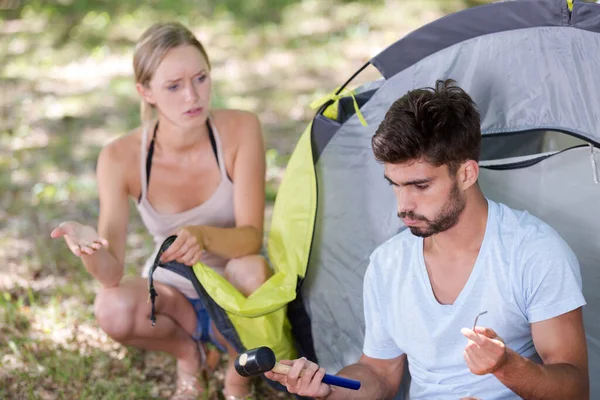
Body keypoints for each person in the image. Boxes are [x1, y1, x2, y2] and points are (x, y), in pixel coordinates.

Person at [266, 79, 589, 400]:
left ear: (466, 174)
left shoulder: (534, 252)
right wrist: (329, 389)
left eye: (420, 186)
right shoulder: (388, 262)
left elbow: (575, 389)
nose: (403, 205)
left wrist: (506, 365)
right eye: (395, 184)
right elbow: (379, 372)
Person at [50, 22, 271, 400]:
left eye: (201, 78)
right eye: (173, 86)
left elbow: (251, 236)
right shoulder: (119, 157)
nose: (192, 96)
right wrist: (88, 246)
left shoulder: (241, 128)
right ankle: (190, 356)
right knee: (112, 305)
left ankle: (238, 373)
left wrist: (203, 236)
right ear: (145, 92)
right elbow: (111, 272)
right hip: (173, 298)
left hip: (236, 292)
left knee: (251, 266)